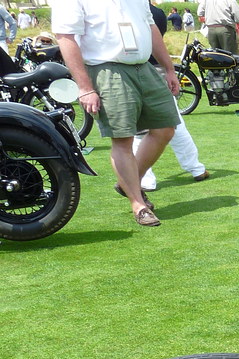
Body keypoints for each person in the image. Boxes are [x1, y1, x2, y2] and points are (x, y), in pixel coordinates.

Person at [52, 0, 180, 227]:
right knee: (123, 139)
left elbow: (150, 27)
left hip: (144, 67)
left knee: (165, 129)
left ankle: (127, 182)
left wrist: (169, 68)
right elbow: (66, 37)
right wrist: (84, 87)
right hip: (106, 69)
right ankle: (138, 205)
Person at [135, 0, 208, 192]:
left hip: (139, 71)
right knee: (174, 122)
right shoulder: (158, 14)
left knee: (139, 131)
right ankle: (196, 168)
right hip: (158, 70)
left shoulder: (132, 11)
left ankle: (145, 179)